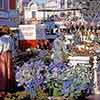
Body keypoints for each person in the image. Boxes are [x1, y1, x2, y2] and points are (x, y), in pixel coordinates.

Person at [0, 26, 15, 96]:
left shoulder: (1, 38)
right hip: (10, 54)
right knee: (9, 71)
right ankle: (9, 87)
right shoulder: (11, 38)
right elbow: (13, 48)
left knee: (3, 71)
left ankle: (3, 88)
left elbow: (0, 48)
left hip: (3, 55)